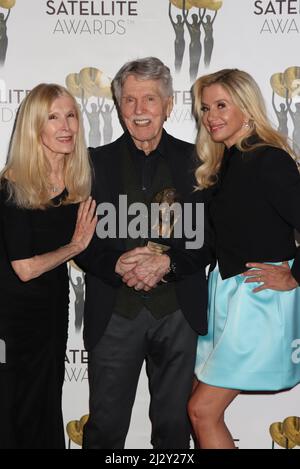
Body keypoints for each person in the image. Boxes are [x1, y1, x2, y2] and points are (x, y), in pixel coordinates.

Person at [76, 57, 210, 449]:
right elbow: (78, 241)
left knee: (174, 432)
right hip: (114, 313)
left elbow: (214, 238)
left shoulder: (199, 163)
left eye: (150, 99)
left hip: (179, 314)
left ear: (168, 105)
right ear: (118, 106)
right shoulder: (91, 163)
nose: (139, 111)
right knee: (104, 429)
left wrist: (168, 263)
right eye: (130, 100)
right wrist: (115, 263)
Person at [188, 68, 300, 449]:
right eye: (205, 108)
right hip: (227, 297)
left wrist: (295, 275)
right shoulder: (226, 163)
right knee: (203, 410)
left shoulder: (269, 160)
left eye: (222, 105)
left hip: (258, 303)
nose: (211, 116)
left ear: (247, 109)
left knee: (202, 411)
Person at [0, 83, 97, 449]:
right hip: (10, 320)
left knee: (44, 407)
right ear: (34, 127)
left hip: (52, 314)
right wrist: (74, 246)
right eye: (53, 117)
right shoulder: (14, 185)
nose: (66, 126)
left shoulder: (76, 185)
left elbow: (90, 250)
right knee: (11, 411)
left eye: (70, 115)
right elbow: (24, 267)